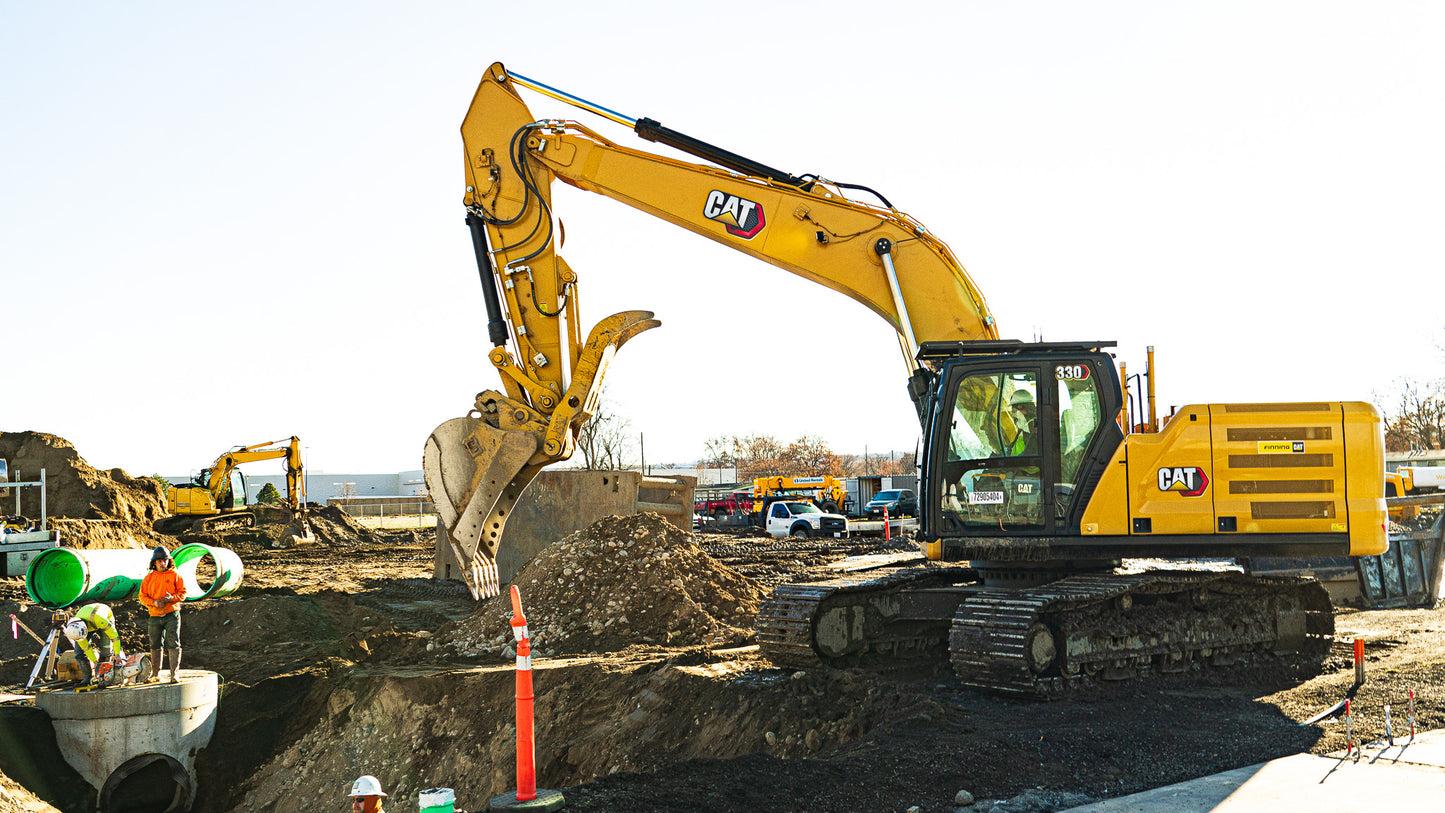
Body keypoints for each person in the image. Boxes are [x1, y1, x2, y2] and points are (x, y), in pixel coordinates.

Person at [138, 545, 187, 683]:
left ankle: (174, 674)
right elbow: (142, 596)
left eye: (164, 560)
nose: (162, 563)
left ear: (168, 561)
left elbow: (183, 593)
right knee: (155, 644)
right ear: (154, 562)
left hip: (172, 614)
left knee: (174, 643)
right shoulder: (149, 578)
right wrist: (154, 603)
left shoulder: (175, 575)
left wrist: (171, 598)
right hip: (154, 616)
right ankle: (155, 674)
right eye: (159, 561)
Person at [63, 602, 123, 684]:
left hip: (102, 617)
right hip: (87, 618)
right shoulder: (75, 629)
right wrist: (94, 661)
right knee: (79, 652)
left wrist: (117, 654)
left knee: (106, 649)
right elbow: (86, 648)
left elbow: (114, 637)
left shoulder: (101, 620)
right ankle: (87, 678)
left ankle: (106, 675)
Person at [1007, 389, 1038, 456]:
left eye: (1014, 410)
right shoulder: (1022, 430)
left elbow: (1030, 454)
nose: (1013, 414)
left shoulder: (1034, 428)